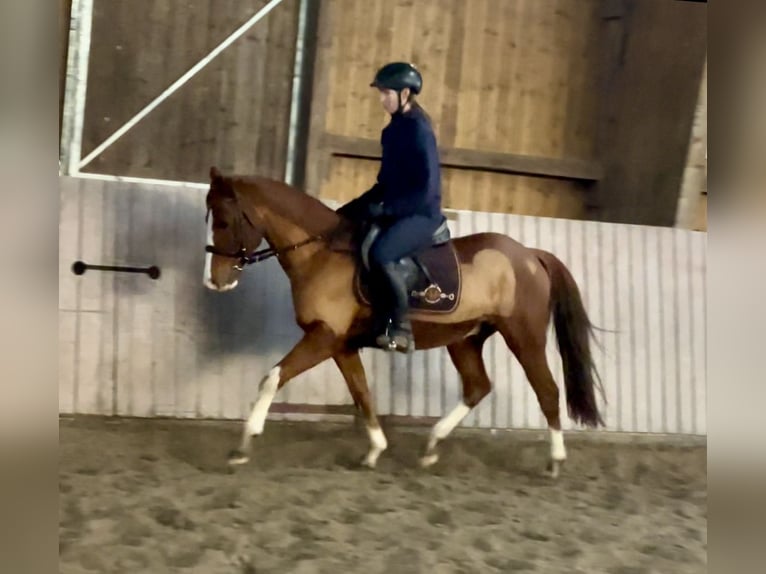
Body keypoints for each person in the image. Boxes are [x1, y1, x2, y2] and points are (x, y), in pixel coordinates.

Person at [337, 62, 445, 353]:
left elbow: (426, 189)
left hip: (422, 213)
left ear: (405, 94)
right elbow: (385, 182)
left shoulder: (419, 131)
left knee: (381, 253)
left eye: (387, 94)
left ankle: (401, 328)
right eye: (381, 94)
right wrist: (354, 208)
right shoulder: (392, 131)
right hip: (397, 208)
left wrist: (386, 211)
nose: (382, 100)